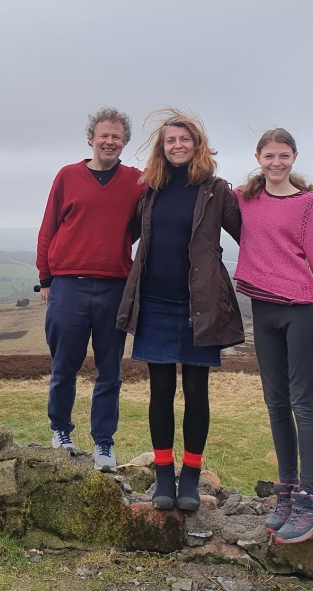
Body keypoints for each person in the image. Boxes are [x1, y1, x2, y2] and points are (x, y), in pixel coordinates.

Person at [233, 128, 313, 544]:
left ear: (294, 157)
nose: (276, 162)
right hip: (263, 309)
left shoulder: (307, 204)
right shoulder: (243, 198)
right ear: (258, 156)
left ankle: (311, 498)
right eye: (269, 155)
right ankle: (286, 490)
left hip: (302, 311)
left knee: (302, 400)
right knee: (274, 401)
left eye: (283, 156)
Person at [116, 110, 243, 513]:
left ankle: (190, 475)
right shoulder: (149, 188)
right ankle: (163, 474)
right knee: (160, 391)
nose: (177, 146)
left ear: (197, 145)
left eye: (184, 140)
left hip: (199, 306)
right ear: (162, 147)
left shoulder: (215, 190)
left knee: (195, 390)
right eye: (171, 140)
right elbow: (123, 231)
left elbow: (252, 233)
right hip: (154, 301)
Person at [37, 106, 145, 472]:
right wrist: (46, 278)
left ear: (124, 141)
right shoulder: (67, 176)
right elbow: (48, 227)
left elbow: (148, 220)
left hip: (114, 287)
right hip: (67, 285)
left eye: (117, 137)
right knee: (63, 366)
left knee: (109, 370)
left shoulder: (137, 181)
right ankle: (60, 432)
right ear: (92, 139)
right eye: (104, 136)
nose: (110, 142)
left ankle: (103, 443)